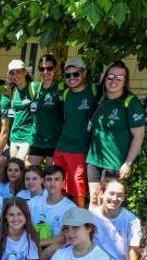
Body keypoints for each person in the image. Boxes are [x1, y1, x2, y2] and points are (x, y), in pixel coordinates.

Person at [86, 61, 146, 207]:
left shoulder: (130, 103)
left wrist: (128, 163)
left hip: (114, 164)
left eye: (119, 78)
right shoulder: (100, 99)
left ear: (125, 82)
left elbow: (139, 136)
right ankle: (93, 230)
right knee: (94, 200)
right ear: (105, 78)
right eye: (111, 76)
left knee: (108, 204)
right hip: (94, 161)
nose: (114, 81)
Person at [91, 179, 142, 260]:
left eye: (120, 195)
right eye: (111, 193)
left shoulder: (132, 221)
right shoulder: (90, 216)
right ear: (102, 193)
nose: (115, 198)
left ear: (124, 198)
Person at [54, 58, 96, 208]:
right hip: (61, 146)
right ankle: (62, 216)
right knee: (60, 185)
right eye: (68, 75)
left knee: (78, 188)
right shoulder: (65, 93)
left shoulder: (93, 91)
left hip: (79, 149)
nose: (72, 78)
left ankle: (81, 222)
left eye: (76, 74)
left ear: (84, 73)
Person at [28, 165, 76, 260]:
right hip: (31, 245)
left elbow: (63, 238)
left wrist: (39, 243)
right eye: (49, 179)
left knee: (56, 247)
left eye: (57, 179)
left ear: (63, 182)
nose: (52, 183)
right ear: (43, 182)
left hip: (53, 250)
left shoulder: (70, 208)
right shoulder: (34, 202)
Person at [27, 54, 64, 166]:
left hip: (54, 142)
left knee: (51, 177)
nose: (45, 71)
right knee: (30, 173)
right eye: (42, 69)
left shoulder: (61, 87)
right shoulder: (34, 87)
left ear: (55, 69)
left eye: (49, 68)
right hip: (36, 140)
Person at [3, 59, 40, 160]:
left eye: (18, 72)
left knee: (18, 164)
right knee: (14, 167)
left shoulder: (34, 86)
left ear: (25, 72)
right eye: (12, 73)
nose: (15, 76)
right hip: (14, 136)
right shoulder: (13, 90)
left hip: (29, 135)